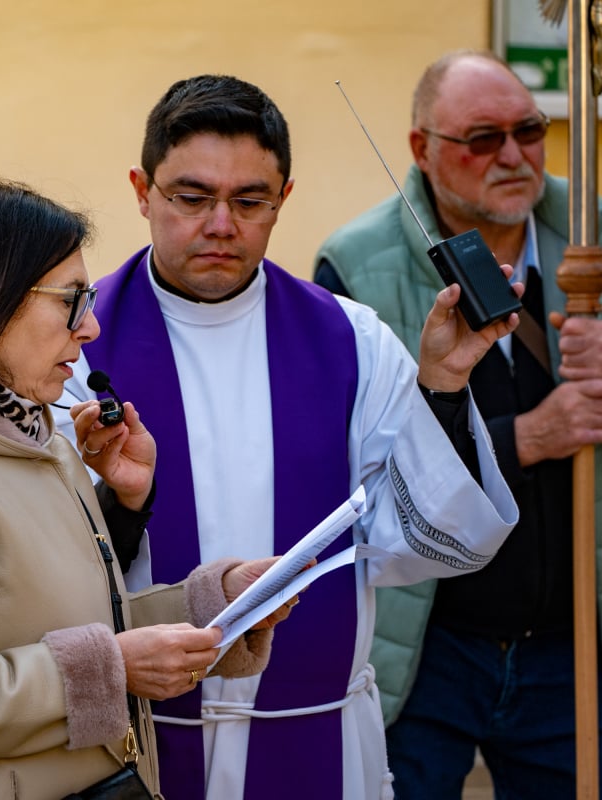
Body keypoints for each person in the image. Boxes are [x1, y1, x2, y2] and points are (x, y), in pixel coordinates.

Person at [53, 74, 522, 799]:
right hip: (141, 741)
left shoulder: (351, 340)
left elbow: (426, 541)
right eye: (191, 196)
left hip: (318, 738)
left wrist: (443, 386)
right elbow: (52, 558)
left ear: (284, 201)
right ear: (142, 191)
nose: (220, 224)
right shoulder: (74, 348)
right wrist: (125, 500)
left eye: (249, 201)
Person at [0, 178, 300, 799]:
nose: (92, 327)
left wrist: (216, 607)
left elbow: (63, 622)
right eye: (72, 300)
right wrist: (116, 667)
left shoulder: (36, 438)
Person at [314, 49, 602, 798]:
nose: (513, 155)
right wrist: (528, 438)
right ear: (422, 149)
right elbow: (355, 469)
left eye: (530, 129)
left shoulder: (593, 230)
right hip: (429, 642)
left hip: (575, 643)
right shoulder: (355, 265)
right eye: (482, 138)